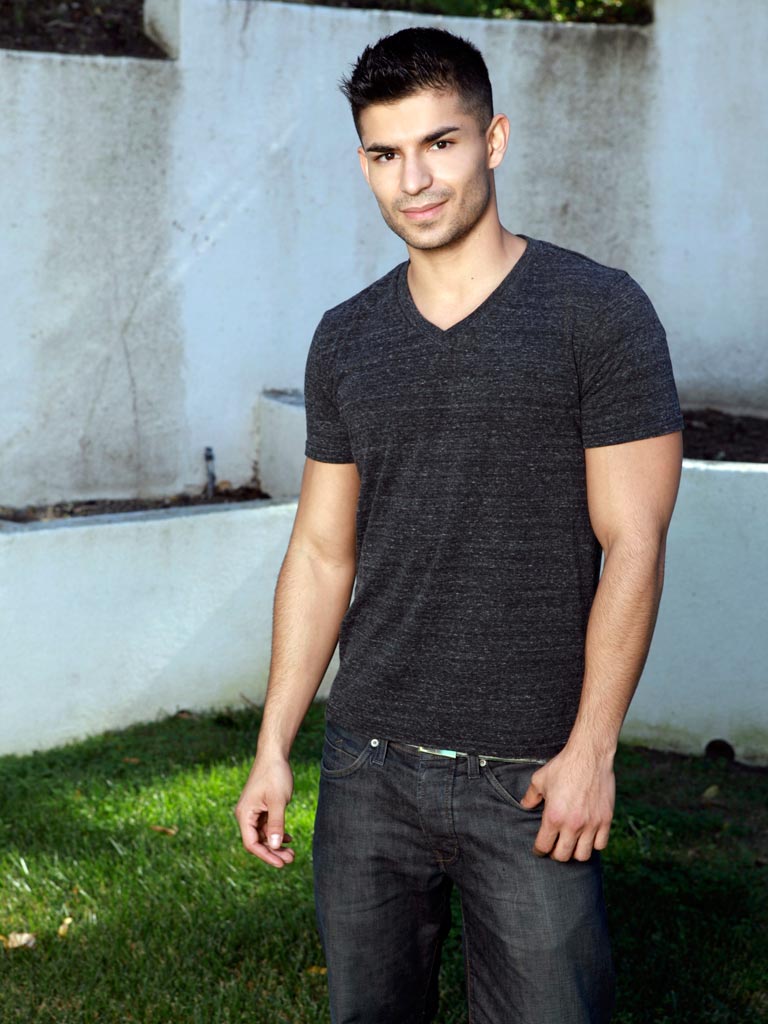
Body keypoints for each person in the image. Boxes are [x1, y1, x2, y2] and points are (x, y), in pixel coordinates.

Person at [235, 25, 684, 1024]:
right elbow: (321, 551)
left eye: (439, 143)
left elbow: (635, 542)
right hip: (367, 767)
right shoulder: (346, 338)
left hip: (531, 773)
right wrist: (274, 744)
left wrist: (593, 749)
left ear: (494, 140)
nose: (415, 180)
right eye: (386, 154)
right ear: (364, 165)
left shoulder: (597, 313)